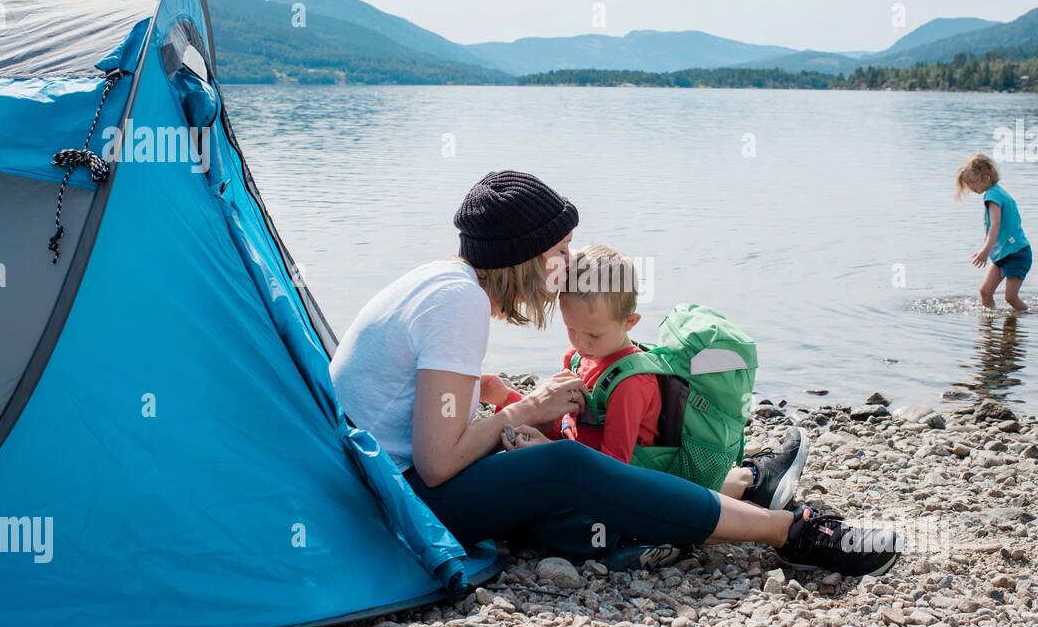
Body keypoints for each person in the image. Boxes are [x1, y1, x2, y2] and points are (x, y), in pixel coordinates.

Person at [329, 170, 900, 576]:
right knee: (568, 465)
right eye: (563, 248)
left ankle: (743, 485)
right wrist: (527, 409)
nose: (572, 263)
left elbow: (435, 432)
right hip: (398, 498)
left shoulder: (440, 281)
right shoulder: (460, 304)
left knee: (563, 459)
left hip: (373, 480)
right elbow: (436, 461)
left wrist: (511, 415)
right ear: (526, 258)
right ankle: (792, 533)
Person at [480, 242, 803, 509]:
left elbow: (614, 468)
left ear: (631, 322)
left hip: (628, 491)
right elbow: (564, 426)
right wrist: (506, 399)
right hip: (580, 476)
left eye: (592, 336)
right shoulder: (578, 358)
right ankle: (756, 480)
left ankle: (755, 480)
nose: (579, 343)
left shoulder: (632, 384)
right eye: (570, 329)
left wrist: (545, 450)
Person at [956, 153, 1032, 311]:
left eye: (972, 182)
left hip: (1016, 253)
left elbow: (995, 225)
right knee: (985, 291)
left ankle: (1028, 316)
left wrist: (985, 250)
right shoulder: (996, 192)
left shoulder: (993, 195)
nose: (970, 187)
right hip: (1004, 253)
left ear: (986, 176)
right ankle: (988, 329)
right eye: (967, 184)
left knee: (1011, 298)